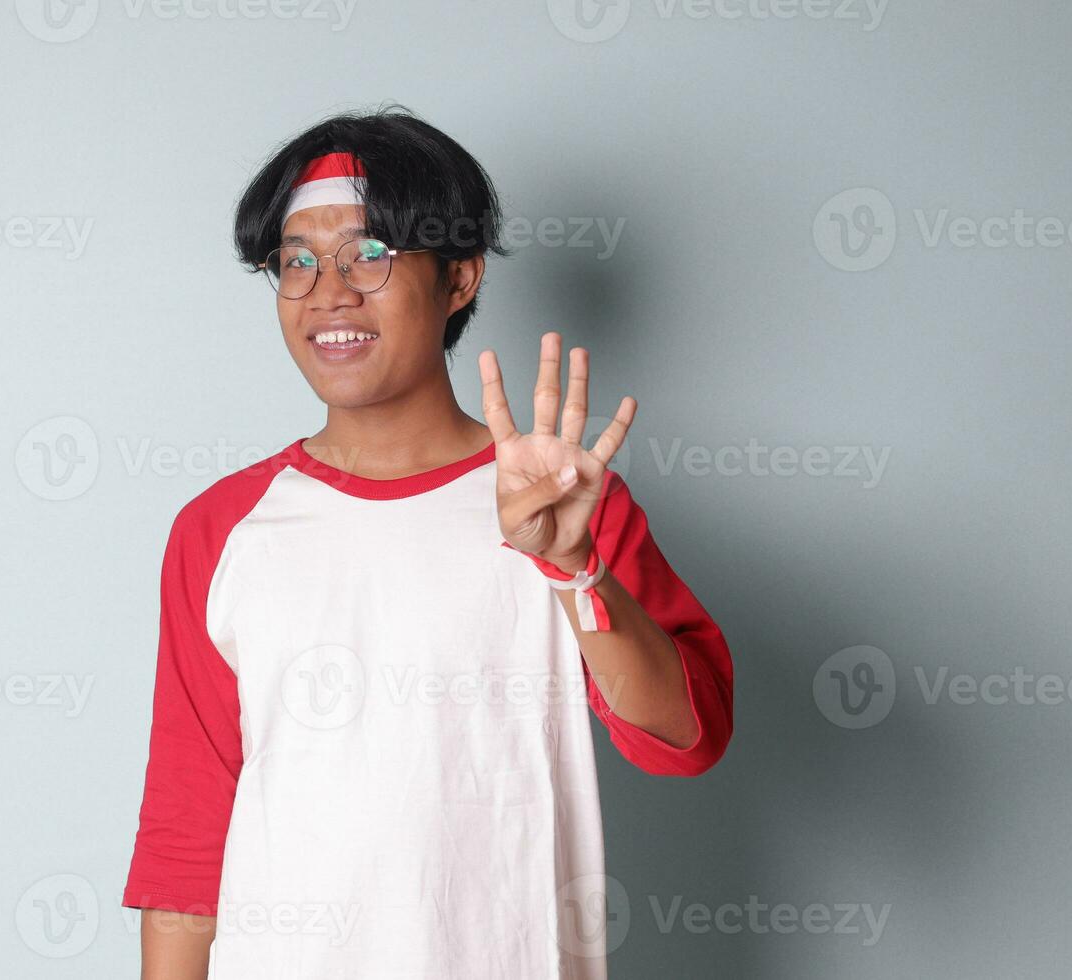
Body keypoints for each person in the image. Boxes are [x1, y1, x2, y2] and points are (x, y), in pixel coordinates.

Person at [122, 106, 734, 980]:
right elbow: (187, 840)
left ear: (459, 279)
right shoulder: (221, 529)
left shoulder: (563, 505)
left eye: (370, 254)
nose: (328, 292)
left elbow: (688, 734)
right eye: (296, 262)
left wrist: (574, 568)